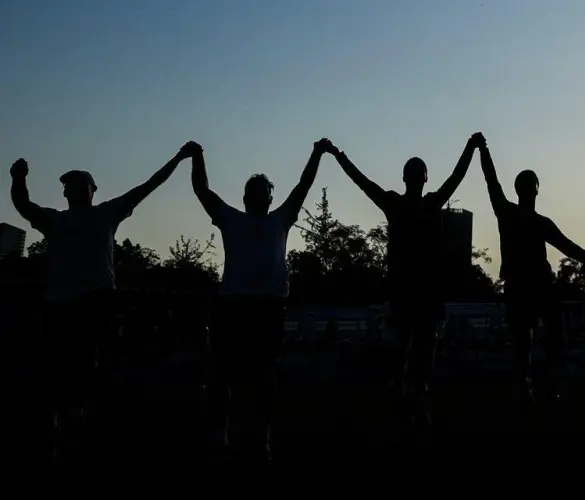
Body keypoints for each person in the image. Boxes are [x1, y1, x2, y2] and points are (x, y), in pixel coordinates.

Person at [9, 143, 199, 458]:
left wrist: (178, 159)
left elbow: (148, 186)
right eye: (69, 186)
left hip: (95, 300)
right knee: (58, 364)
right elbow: (23, 204)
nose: (73, 189)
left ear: (92, 190)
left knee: (88, 361)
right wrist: (18, 178)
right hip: (60, 303)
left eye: (79, 184)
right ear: (66, 194)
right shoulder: (55, 221)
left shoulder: (107, 213)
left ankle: (81, 418)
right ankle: (63, 420)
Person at [326, 133, 483, 428]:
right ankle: (412, 399)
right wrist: (470, 147)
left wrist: (339, 156)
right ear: (423, 179)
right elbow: (456, 176)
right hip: (419, 291)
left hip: (411, 290)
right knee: (419, 352)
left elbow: (362, 182)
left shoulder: (398, 204)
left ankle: (408, 399)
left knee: (410, 351)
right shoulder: (425, 203)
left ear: (408, 178)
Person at [189, 138, 332, 459]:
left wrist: (316, 153)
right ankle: (220, 435)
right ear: (245, 198)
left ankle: (260, 437)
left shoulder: (280, 219)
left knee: (263, 374)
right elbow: (202, 190)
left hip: (267, 305)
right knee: (222, 374)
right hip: (235, 304)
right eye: (252, 193)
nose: (257, 198)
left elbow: (303, 186)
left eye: (263, 193)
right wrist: (197, 157)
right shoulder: (231, 219)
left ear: (269, 198)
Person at [477, 136, 585, 412]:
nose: (530, 189)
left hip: (534, 286)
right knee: (528, 341)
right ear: (529, 190)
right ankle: (530, 388)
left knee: (539, 339)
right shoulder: (513, 214)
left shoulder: (522, 217)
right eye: (528, 185)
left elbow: (567, 246)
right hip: (526, 286)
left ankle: (537, 386)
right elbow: (491, 179)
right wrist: (484, 151)